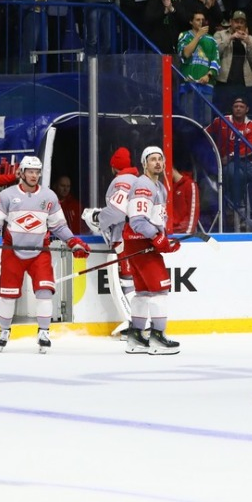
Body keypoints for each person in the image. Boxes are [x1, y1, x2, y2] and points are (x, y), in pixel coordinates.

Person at [0, 155, 89, 353]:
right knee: (8, 295)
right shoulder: (7, 195)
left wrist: (73, 241)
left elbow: (58, 225)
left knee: (45, 291)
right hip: (12, 251)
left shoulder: (49, 197)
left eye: (37, 172)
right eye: (30, 171)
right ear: (21, 173)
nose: (34, 175)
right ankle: (4, 330)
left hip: (40, 252)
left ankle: (44, 332)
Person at [119, 145, 184, 355]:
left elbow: (154, 219)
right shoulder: (143, 185)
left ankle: (136, 337)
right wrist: (158, 238)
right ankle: (157, 337)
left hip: (141, 242)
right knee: (159, 291)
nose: (158, 163)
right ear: (144, 164)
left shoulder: (159, 187)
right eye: (152, 159)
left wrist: (164, 238)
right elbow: (138, 221)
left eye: (160, 159)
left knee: (144, 292)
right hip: (142, 243)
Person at [95, 146, 143, 320]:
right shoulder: (139, 180)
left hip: (125, 238)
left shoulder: (120, 182)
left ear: (113, 166)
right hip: (140, 237)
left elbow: (117, 211)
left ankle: (137, 323)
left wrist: (99, 218)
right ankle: (141, 321)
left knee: (127, 280)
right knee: (137, 280)